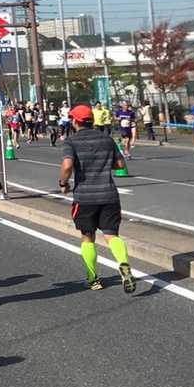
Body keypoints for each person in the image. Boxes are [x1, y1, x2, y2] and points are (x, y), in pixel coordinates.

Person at [59, 104, 136, 294]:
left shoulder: (71, 141)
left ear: (75, 121)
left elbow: (67, 165)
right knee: (112, 235)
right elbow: (120, 164)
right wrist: (103, 163)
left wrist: (63, 182)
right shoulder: (107, 139)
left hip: (85, 197)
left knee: (87, 237)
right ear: (92, 120)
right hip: (109, 195)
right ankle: (123, 263)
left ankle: (93, 279)